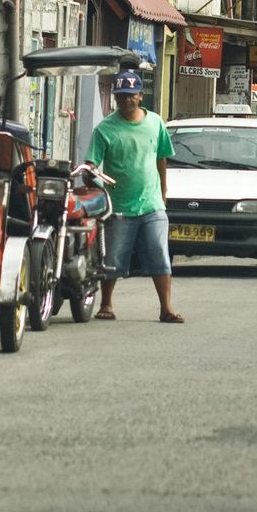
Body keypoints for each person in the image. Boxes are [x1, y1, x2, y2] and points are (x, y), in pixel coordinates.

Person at [87, 70, 184, 323]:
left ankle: (166, 308)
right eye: (121, 96)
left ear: (141, 96)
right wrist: (95, 182)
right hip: (119, 207)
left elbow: (161, 157)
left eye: (131, 95)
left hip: (152, 205)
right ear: (115, 98)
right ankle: (106, 303)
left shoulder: (155, 123)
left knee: (159, 256)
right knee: (113, 258)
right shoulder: (104, 130)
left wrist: (163, 193)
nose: (126, 100)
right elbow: (91, 165)